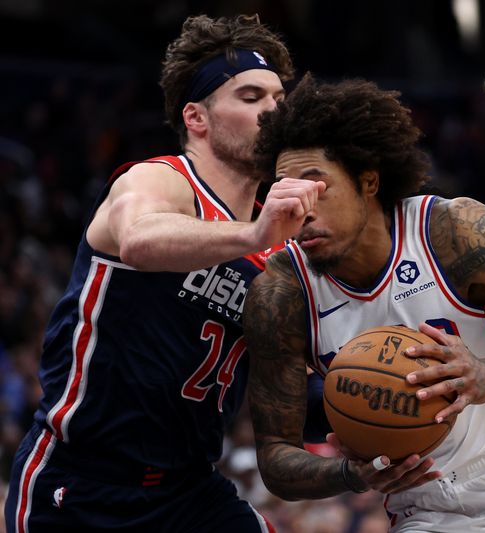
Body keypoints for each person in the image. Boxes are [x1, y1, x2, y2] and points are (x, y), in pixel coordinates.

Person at [243, 74, 485, 532]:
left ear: (368, 181)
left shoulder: (450, 231)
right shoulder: (280, 291)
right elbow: (274, 455)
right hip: (420, 513)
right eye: (285, 190)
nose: (300, 206)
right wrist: (351, 473)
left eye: (316, 184)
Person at [5, 15, 324, 533]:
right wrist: (251, 236)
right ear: (196, 117)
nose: (273, 109)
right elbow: (138, 239)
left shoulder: (282, 246)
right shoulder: (161, 180)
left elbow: (287, 390)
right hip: (83, 482)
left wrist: (388, 407)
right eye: (249, 96)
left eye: (278, 98)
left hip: (191, 490)